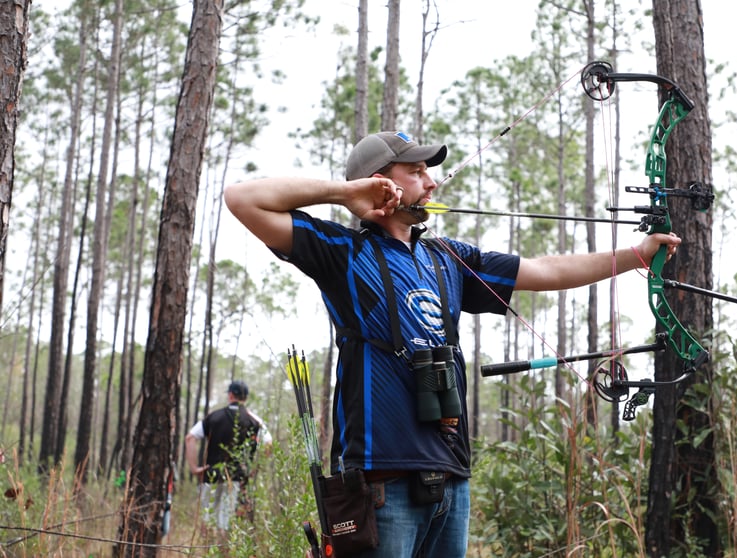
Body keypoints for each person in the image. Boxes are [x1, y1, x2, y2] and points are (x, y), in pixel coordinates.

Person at [223, 130, 681, 556]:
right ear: (381, 182)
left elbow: (547, 270)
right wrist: (345, 194)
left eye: (429, 171)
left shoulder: (448, 257)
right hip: (381, 480)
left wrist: (637, 255)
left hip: (451, 476)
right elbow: (242, 199)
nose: (432, 182)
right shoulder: (342, 251)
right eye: (417, 172)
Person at [185, 380, 273, 532]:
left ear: (230, 395)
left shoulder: (214, 417)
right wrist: (253, 468)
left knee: (207, 519)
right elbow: (269, 443)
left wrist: (194, 468)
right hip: (236, 479)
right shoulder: (254, 420)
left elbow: (190, 438)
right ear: (245, 398)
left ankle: (206, 552)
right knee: (225, 523)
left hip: (210, 475)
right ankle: (223, 553)